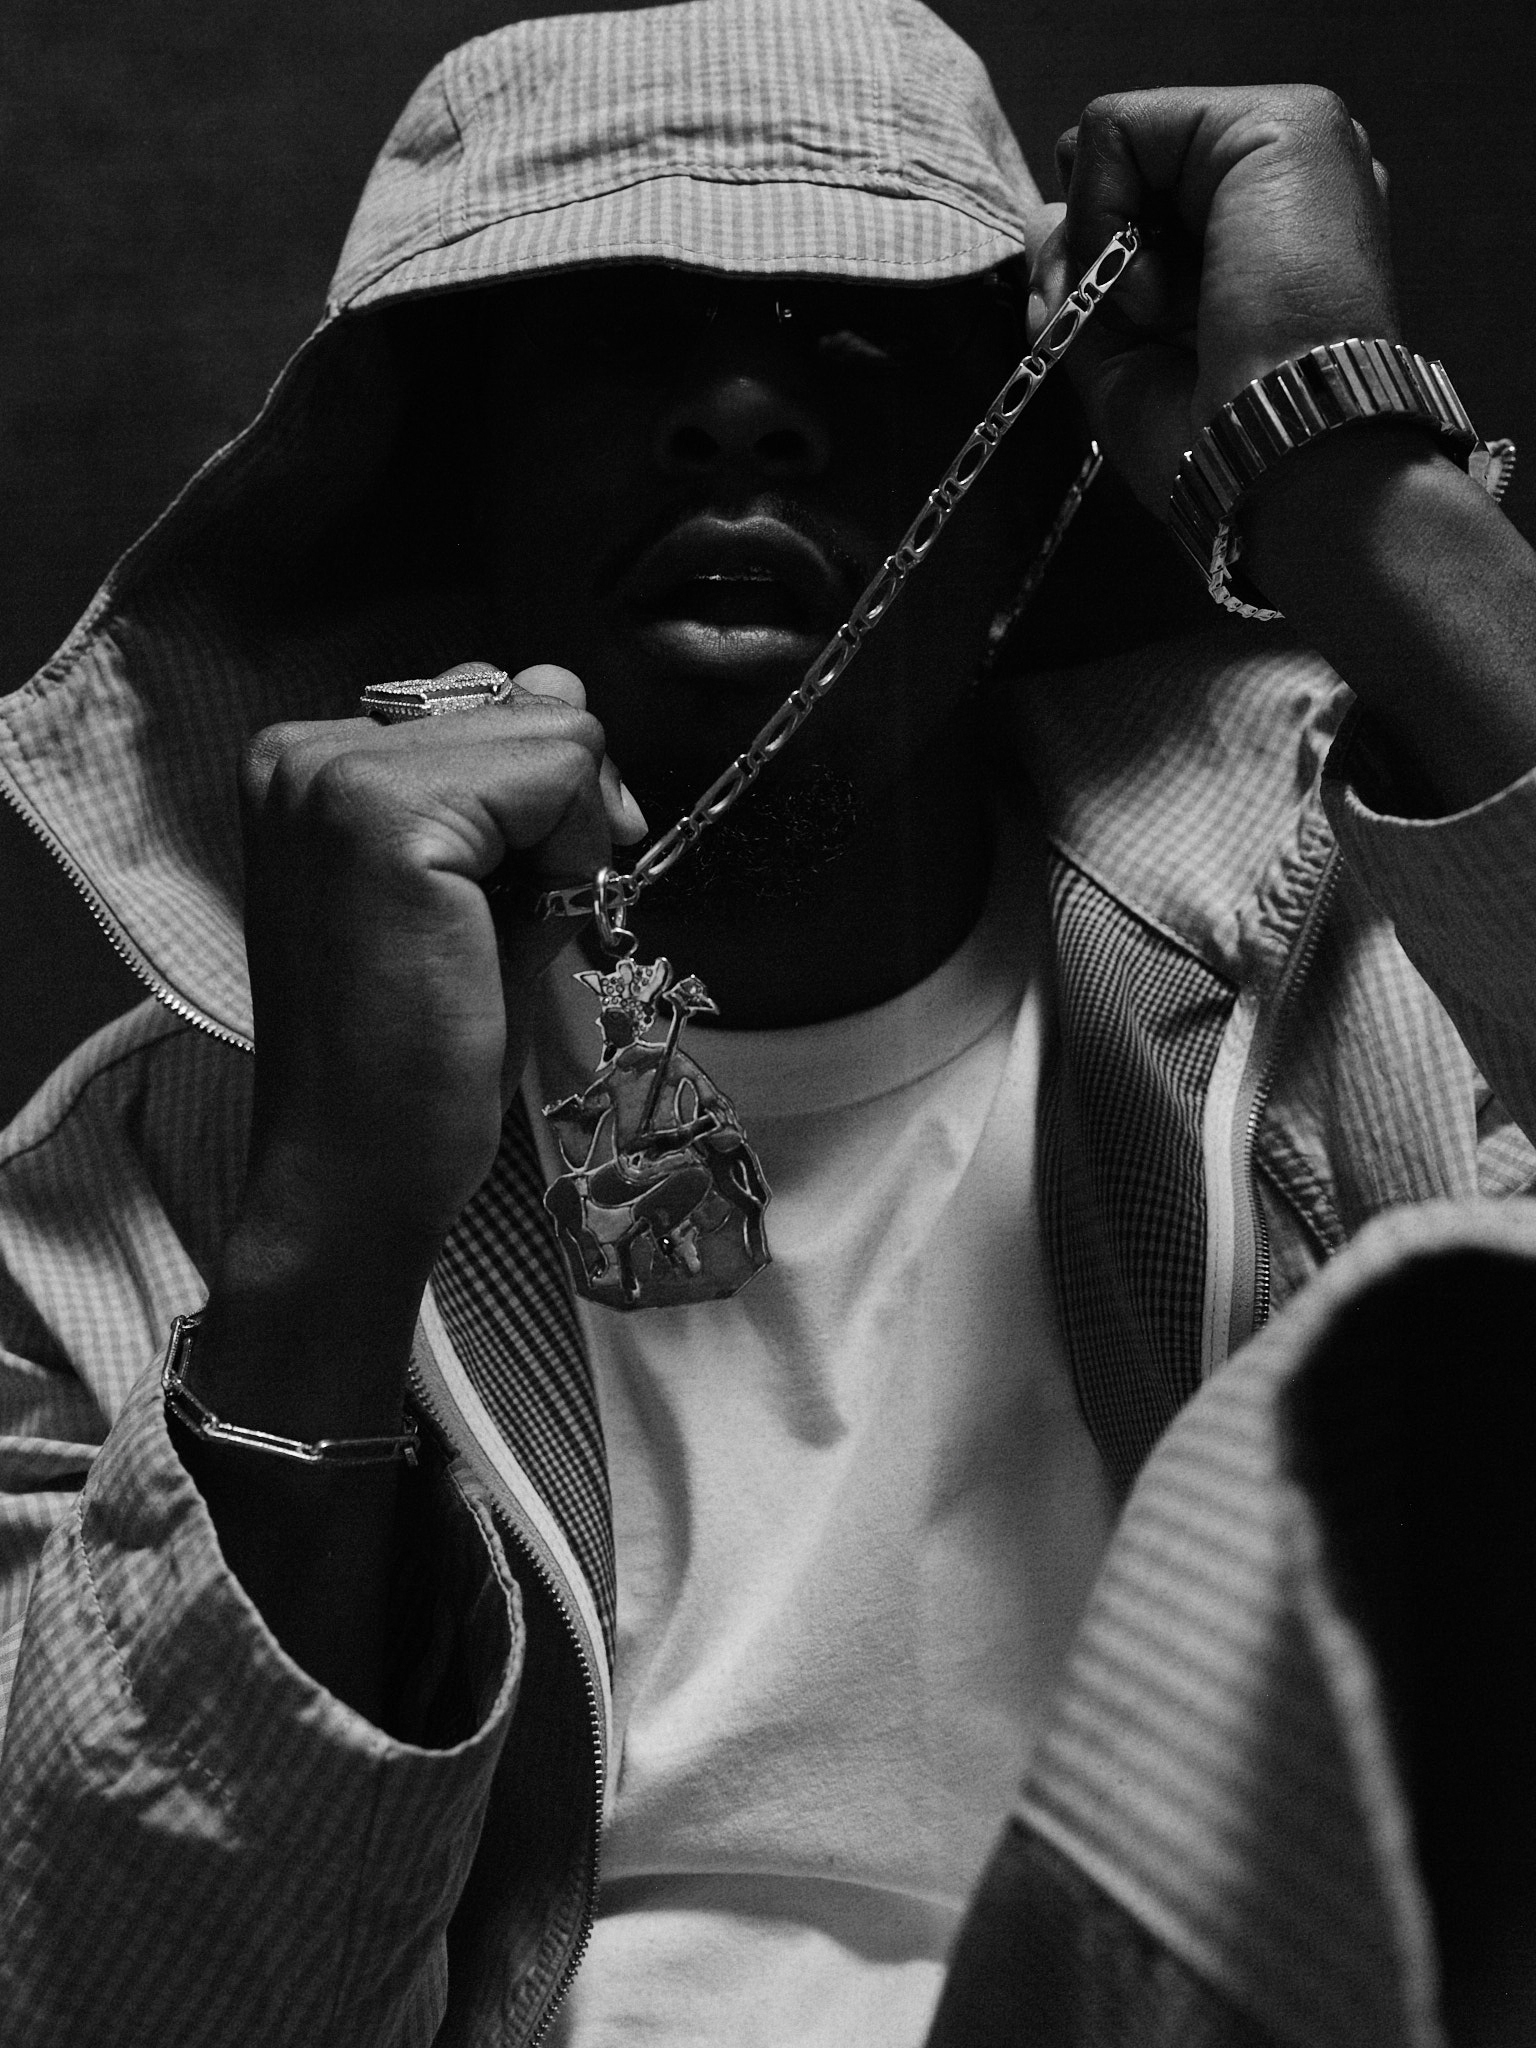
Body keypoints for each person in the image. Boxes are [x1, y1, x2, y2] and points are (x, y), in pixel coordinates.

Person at [2, 1, 1536, 2042]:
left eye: (855, 333)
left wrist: (1349, 487)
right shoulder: (111, 1199)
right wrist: (328, 1236)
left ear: (1024, 484)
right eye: (613, 334)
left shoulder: (1373, 988)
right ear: (441, 489)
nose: (738, 411)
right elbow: (113, 2001)